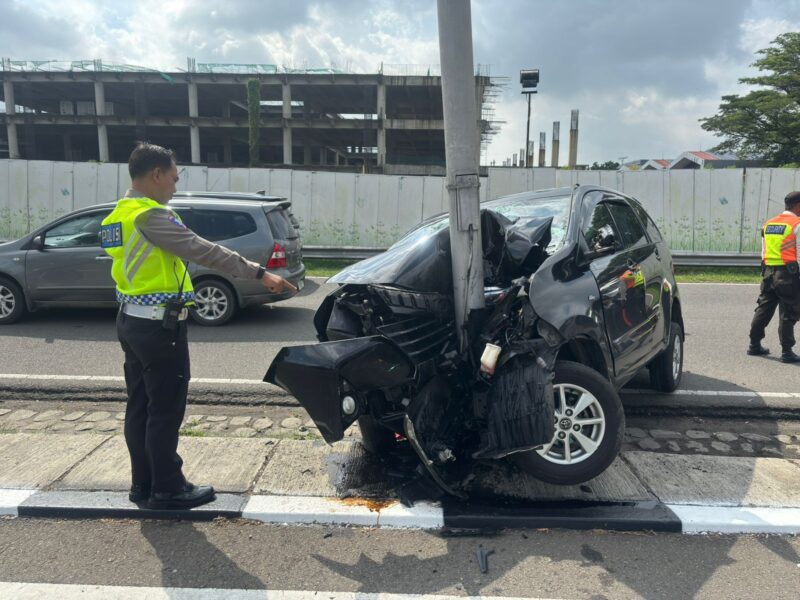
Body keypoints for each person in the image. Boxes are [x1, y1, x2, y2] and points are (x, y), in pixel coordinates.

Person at [101, 142, 296, 509]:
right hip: (159, 329)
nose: (175, 186)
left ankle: (143, 484)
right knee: (165, 409)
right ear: (156, 175)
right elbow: (202, 249)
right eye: (174, 178)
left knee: (139, 406)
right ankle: (168, 488)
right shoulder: (151, 216)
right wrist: (260, 273)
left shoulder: (118, 214)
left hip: (131, 320)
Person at [747, 191, 800, 363]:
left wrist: (766, 268)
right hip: (788, 274)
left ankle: (754, 344)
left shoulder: (769, 224)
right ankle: (787, 351)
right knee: (788, 312)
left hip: (768, 273)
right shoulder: (797, 224)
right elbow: (799, 251)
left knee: (763, 309)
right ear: (797, 206)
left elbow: (763, 250)